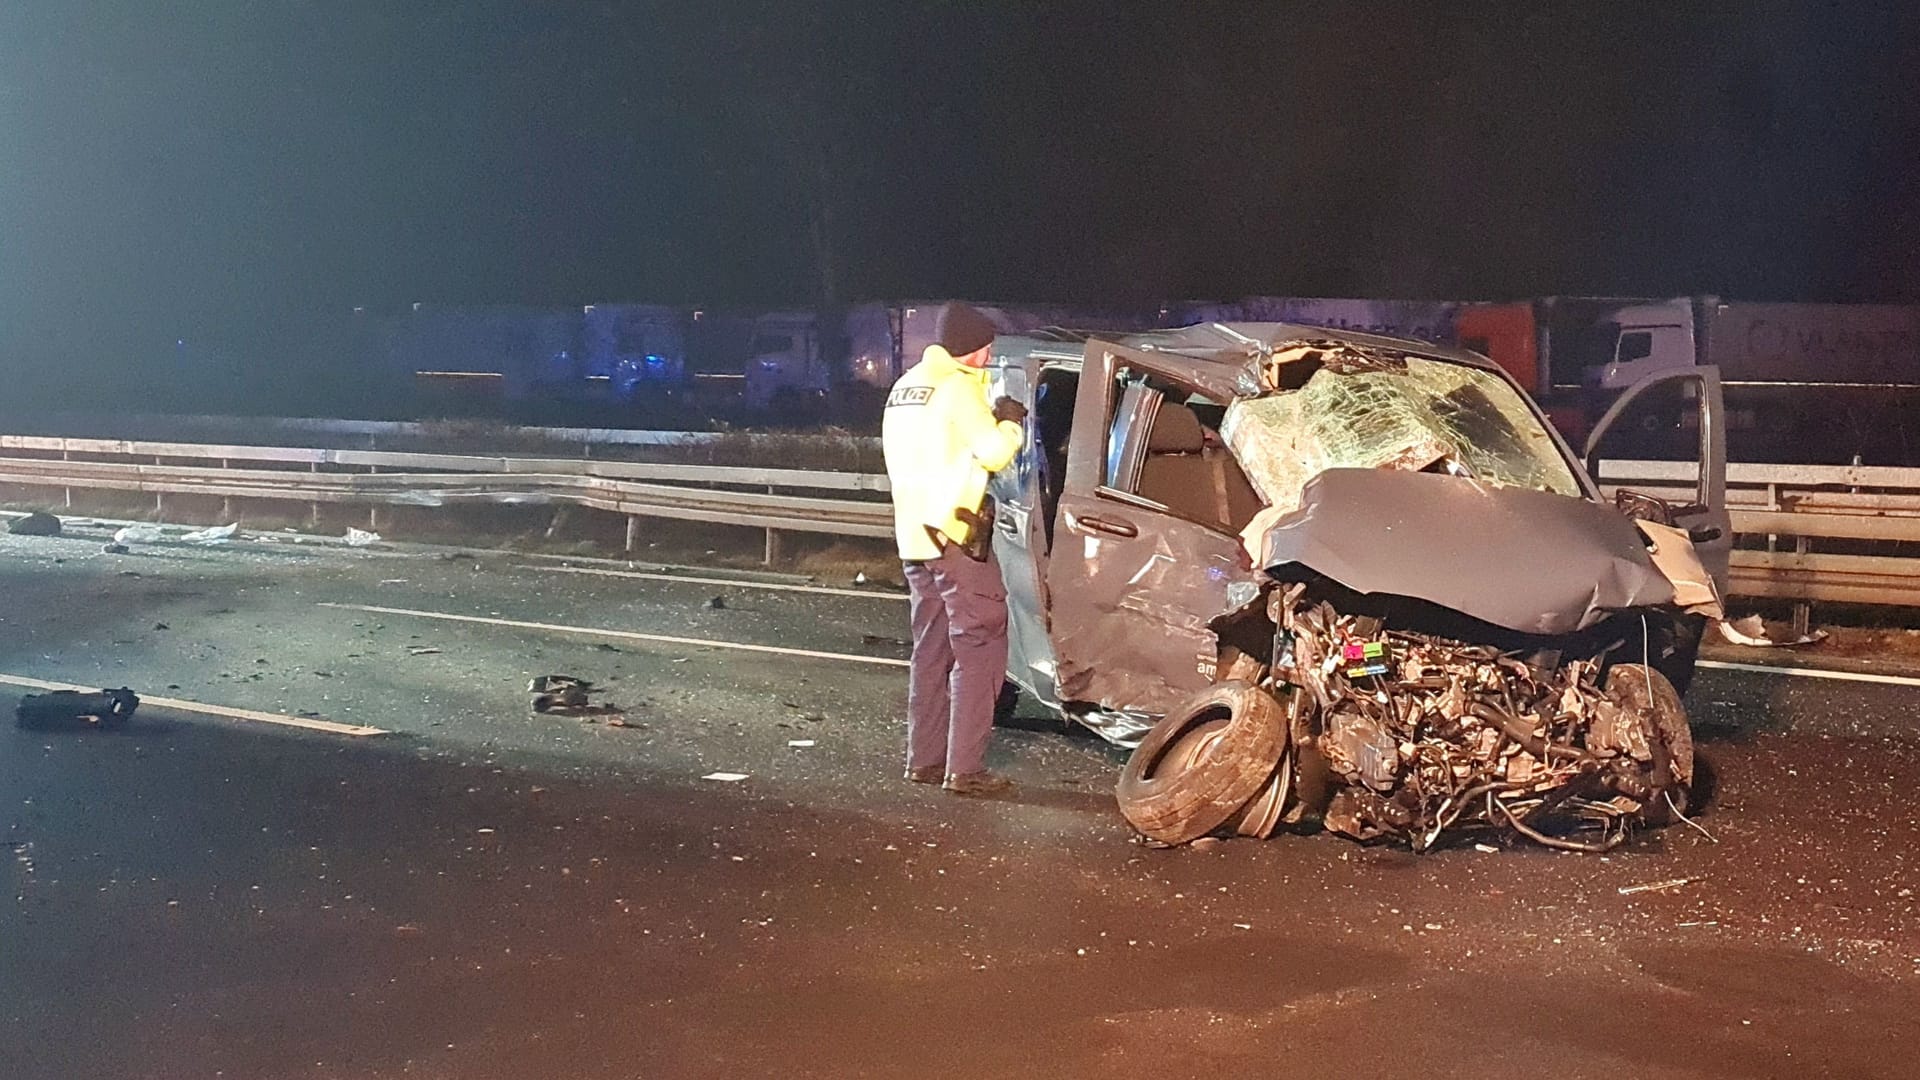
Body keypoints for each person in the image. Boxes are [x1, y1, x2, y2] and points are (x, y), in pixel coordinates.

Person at [882, 302, 1027, 796]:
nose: (990, 355)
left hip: (915, 536)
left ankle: (923, 761)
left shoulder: (907, 386)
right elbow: (994, 452)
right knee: (982, 645)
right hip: (956, 535)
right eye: (988, 346)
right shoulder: (960, 388)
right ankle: (965, 769)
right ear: (975, 347)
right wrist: (1010, 421)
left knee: (931, 650)